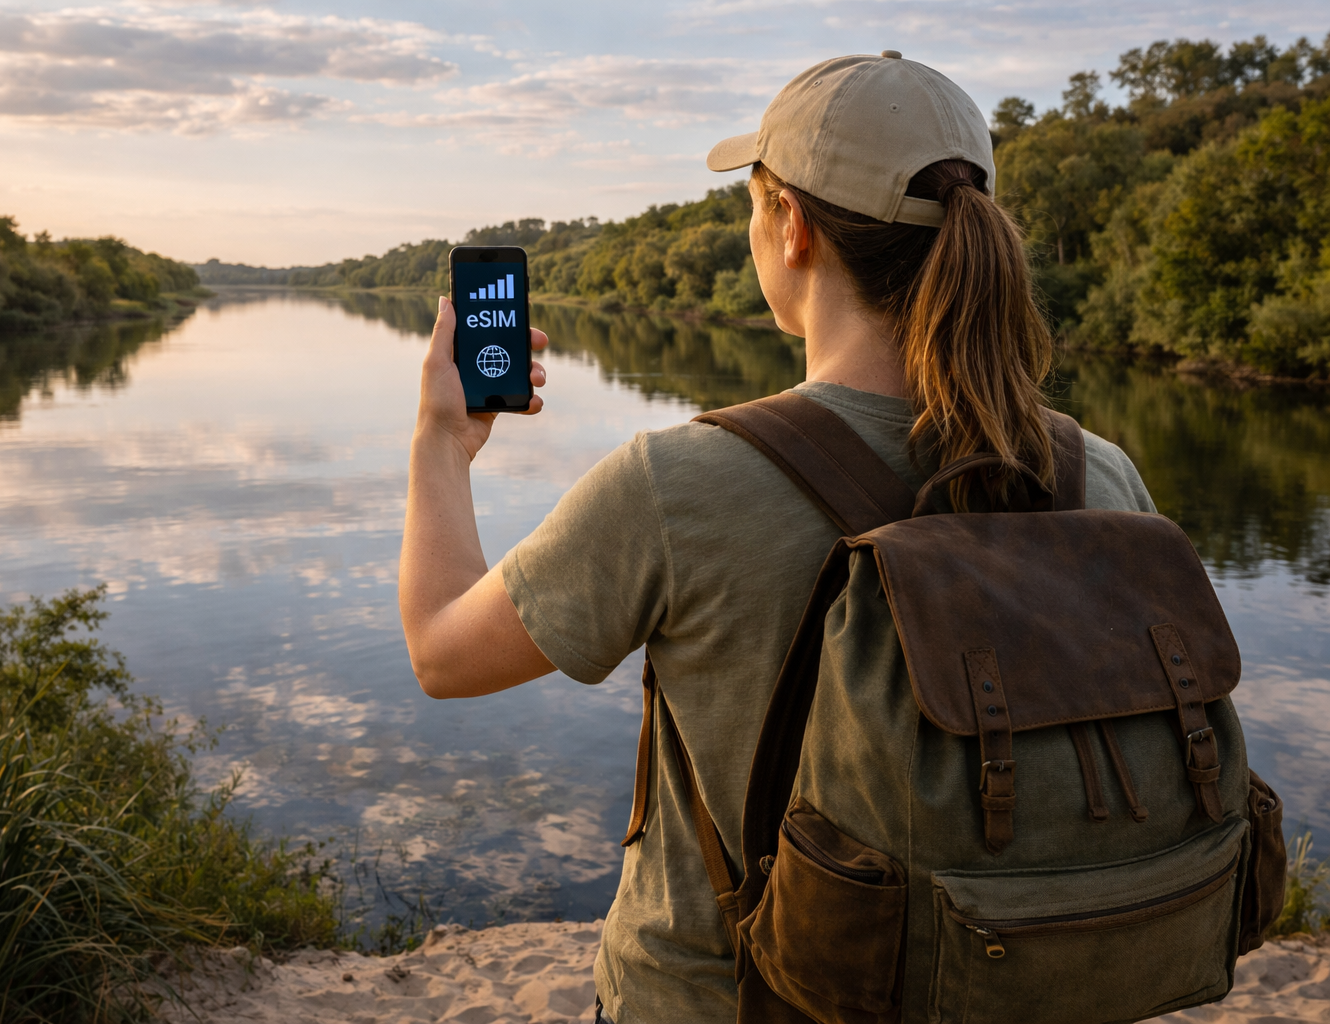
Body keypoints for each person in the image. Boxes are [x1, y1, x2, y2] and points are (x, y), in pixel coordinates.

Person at [398, 52, 1156, 1024]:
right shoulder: (1101, 474)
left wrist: (441, 444)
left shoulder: (677, 483)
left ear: (790, 226)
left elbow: (441, 653)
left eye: (753, 206)